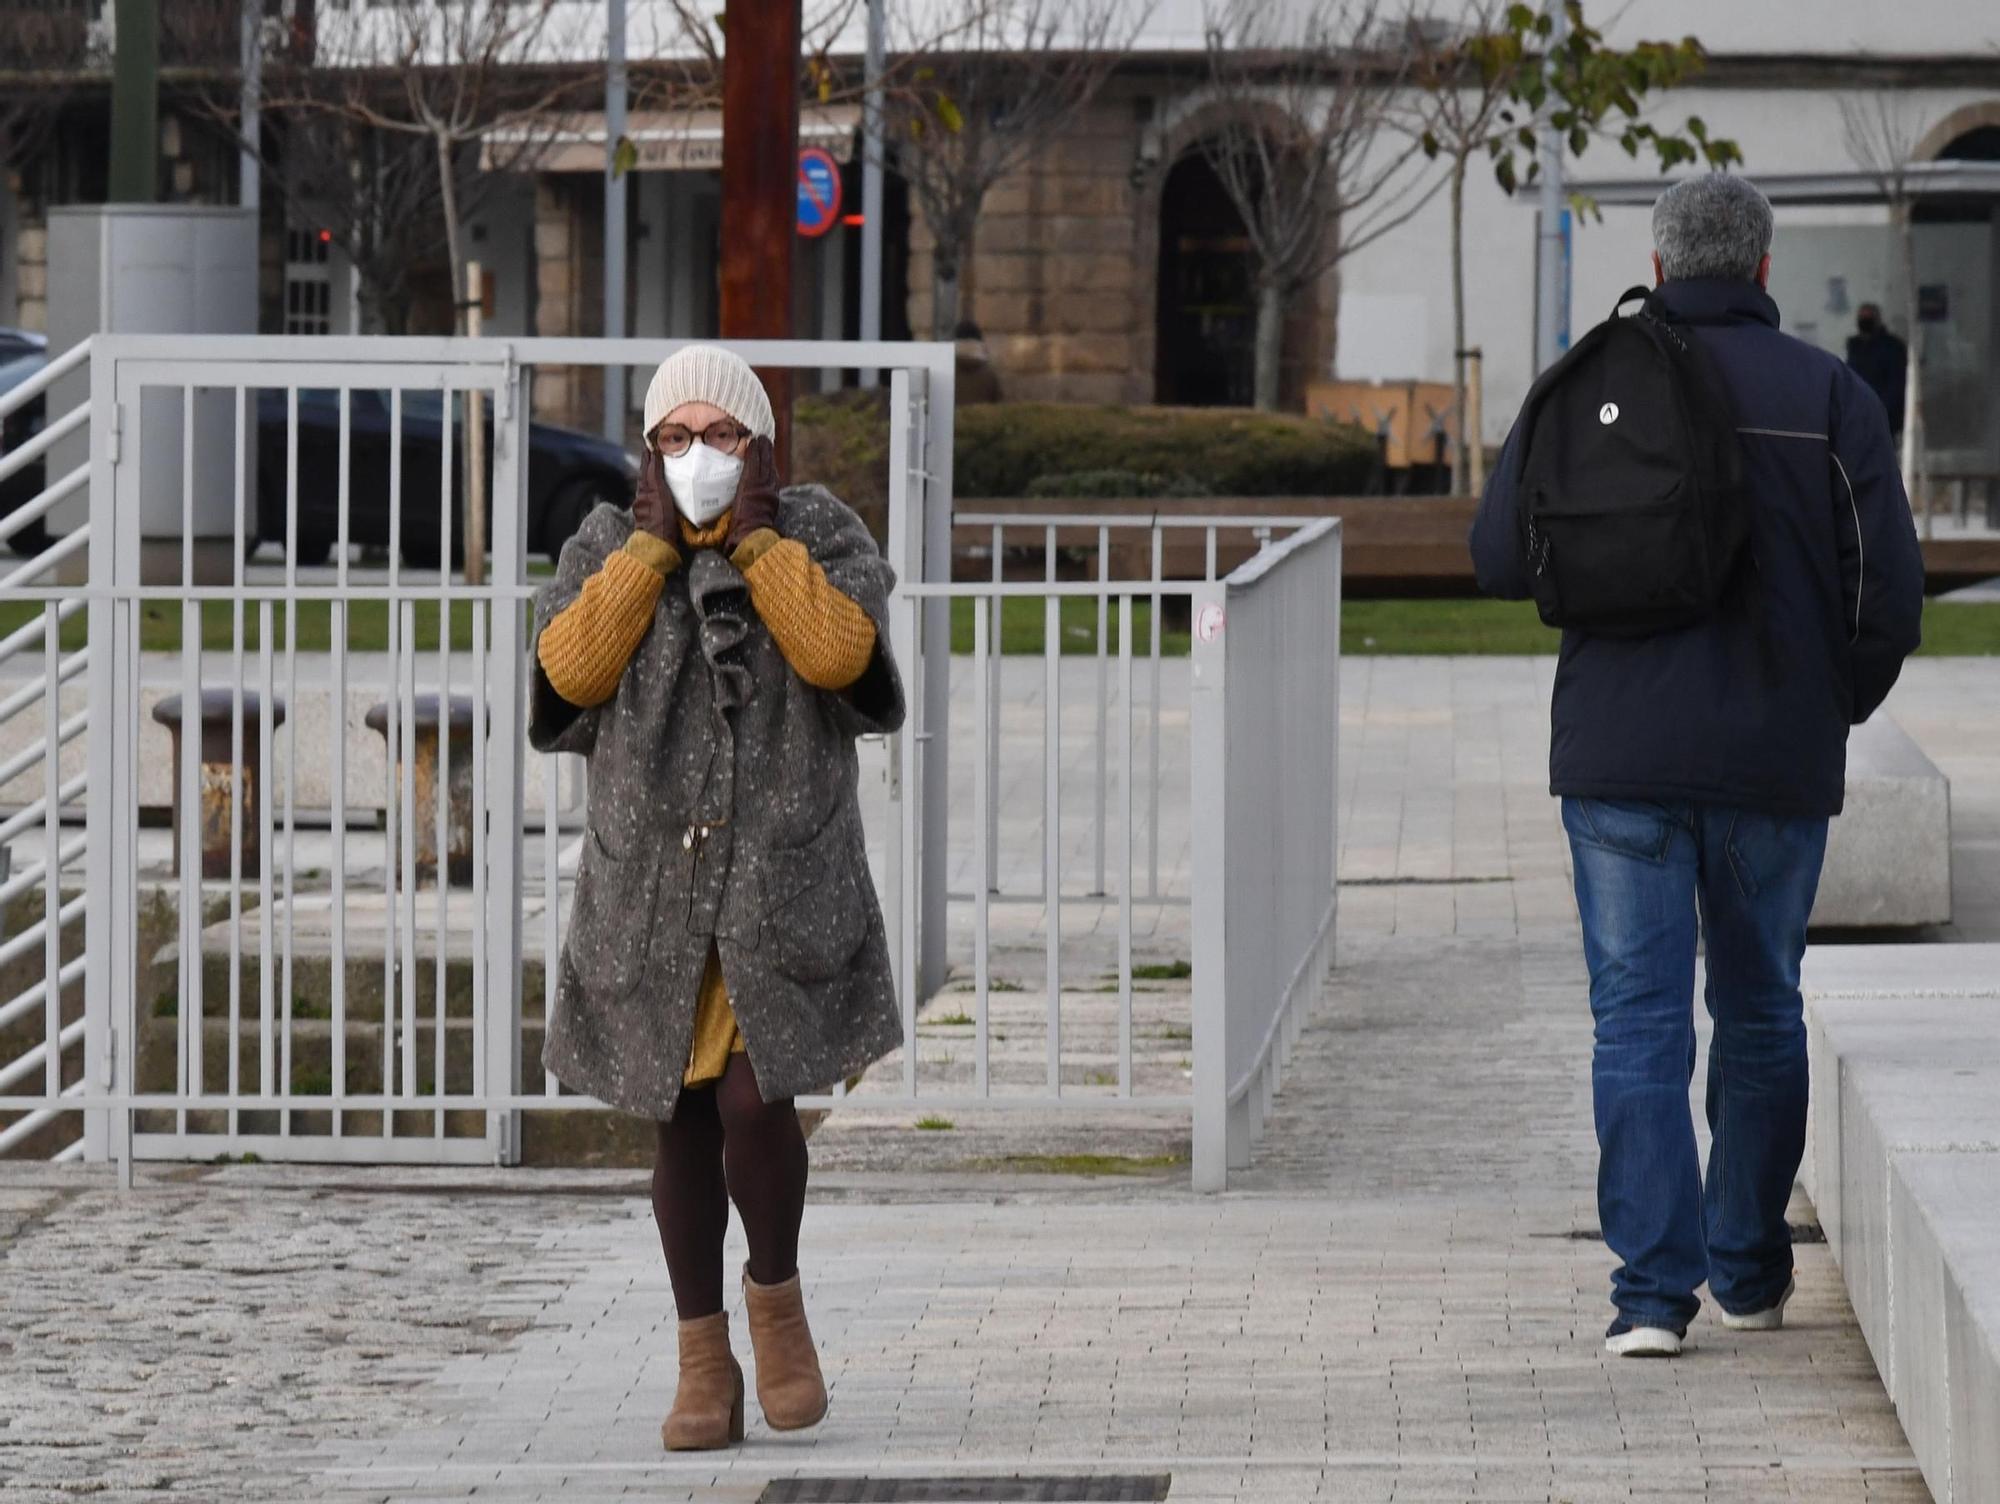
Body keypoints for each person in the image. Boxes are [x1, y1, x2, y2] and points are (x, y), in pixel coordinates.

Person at [1469, 175, 1924, 1358]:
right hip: (1772, 758)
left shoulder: (1591, 375)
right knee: (1761, 1010)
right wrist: (1824, 708)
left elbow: (1495, 553)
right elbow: (1886, 599)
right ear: (1763, 268)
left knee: (1634, 1024)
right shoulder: (1828, 395)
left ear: (1659, 265)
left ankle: (1648, 1299)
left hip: (1615, 757)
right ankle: (1748, 1270)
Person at [529, 344, 906, 1448]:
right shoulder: (606, 542)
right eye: (676, 438)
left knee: (753, 1099)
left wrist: (756, 540)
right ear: (647, 452)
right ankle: (704, 1361)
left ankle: (776, 1305)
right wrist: (650, 546)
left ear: (761, 450)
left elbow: (846, 658)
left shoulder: (820, 532)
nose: (699, 457)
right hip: (650, 891)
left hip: (778, 883)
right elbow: (565, 674)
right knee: (681, 1120)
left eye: (722, 437)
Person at [1845, 302, 1908, 438]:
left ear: (1877, 319)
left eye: (1868, 317)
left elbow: (1896, 384)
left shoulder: (1892, 347)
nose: (1864, 321)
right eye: (1862, 318)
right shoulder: (1855, 346)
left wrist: (1879, 408)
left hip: (1885, 416)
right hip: (1859, 415)